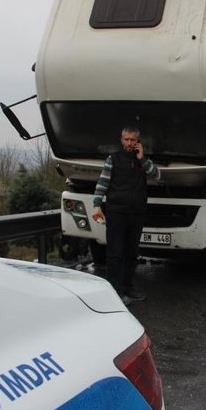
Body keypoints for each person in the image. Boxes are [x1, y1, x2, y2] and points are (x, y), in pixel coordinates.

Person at [91, 126, 160, 305]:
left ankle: (128, 286)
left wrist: (142, 158)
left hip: (137, 213)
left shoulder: (143, 160)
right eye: (126, 139)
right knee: (115, 254)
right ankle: (114, 291)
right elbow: (102, 183)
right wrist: (96, 205)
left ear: (138, 141)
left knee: (132, 253)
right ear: (121, 140)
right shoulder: (113, 159)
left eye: (132, 140)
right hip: (116, 213)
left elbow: (157, 175)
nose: (129, 143)